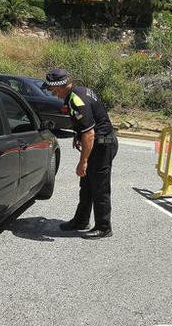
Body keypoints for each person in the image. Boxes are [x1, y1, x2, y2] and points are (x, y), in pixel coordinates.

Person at [43, 68, 118, 239]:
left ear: (61, 86)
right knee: (86, 186)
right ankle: (81, 220)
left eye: (53, 89)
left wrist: (83, 161)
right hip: (97, 142)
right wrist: (78, 135)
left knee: (100, 188)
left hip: (103, 144)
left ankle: (104, 227)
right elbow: (87, 125)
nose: (53, 93)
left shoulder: (76, 100)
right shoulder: (79, 91)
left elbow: (90, 133)